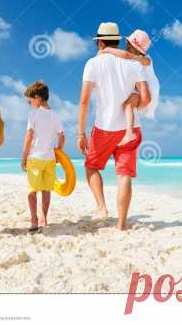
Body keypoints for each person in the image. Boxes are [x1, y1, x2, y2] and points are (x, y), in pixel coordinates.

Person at [77, 22, 151, 230]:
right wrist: (134, 99)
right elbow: (145, 99)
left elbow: (84, 101)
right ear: (117, 41)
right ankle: (121, 224)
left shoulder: (93, 63)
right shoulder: (135, 64)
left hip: (105, 127)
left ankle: (101, 208)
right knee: (124, 175)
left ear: (99, 42)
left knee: (91, 166)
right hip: (130, 128)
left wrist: (80, 133)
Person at [99, 29, 160, 146]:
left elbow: (126, 55)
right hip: (139, 89)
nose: (127, 46)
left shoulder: (147, 60)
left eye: (130, 45)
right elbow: (124, 56)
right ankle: (129, 132)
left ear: (139, 51)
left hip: (150, 90)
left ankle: (129, 133)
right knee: (128, 105)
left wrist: (106, 50)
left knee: (128, 105)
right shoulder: (132, 59)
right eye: (127, 43)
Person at [21, 81, 65, 231]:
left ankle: (34, 219)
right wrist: (58, 150)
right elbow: (61, 136)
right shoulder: (55, 115)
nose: (29, 103)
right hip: (50, 158)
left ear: (38, 98)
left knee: (32, 190)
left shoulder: (33, 114)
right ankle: (44, 218)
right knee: (46, 190)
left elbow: (28, 137)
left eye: (30, 100)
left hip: (35, 157)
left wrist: (24, 157)